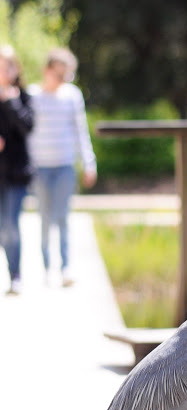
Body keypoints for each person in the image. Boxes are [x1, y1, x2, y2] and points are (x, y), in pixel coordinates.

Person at [28, 47, 97, 287]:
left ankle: (66, 266)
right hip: (40, 167)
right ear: (47, 71)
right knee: (45, 217)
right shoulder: (32, 96)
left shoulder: (72, 96)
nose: (62, 81)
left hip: (65, 165)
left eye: (66, 76)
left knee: (64, 216)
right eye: (58, 75)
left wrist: (89, 162)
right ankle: (47, 267)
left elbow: (80, 131)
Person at [0, 45, 34, 295]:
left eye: (7, 65)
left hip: (16, 173)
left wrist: (11, 102)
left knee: (11, 224)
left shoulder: (23, 96)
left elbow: (27, 127)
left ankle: (15, 274)